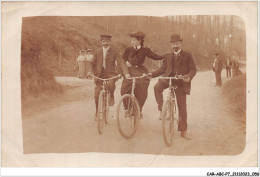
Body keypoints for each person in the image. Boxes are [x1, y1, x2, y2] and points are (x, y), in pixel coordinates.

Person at [147, 34, 197, 140]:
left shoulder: (187, 55)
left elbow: (193, 69)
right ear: (171, 45)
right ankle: (162, 109)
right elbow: (162, 69)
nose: (175, 46)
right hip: (169, 79)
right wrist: (151, 74)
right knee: (157, 87)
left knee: (182, 107)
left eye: (177, 43)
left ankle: (183, 131)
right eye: (173, 44)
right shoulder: (168, 55)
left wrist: (188, 77)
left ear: (180, 43)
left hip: (181, 82)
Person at [120, 31, 164, 119]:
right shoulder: (128, 50)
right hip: (130, 71)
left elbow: (156, 57)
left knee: (142, 90)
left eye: (133, 40)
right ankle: (127, 109)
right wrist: (123, 72)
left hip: (140, 70)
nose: (131, 42)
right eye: (131, 40)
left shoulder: (144, 50)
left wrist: (165, 56)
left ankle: (139, 109)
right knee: (124, 89)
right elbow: (122, 61)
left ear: (139, 41)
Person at [87, 34, 129, 120]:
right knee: (97, 94)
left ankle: (111, 95)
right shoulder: (97, 51)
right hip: (99, 74)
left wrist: (126, 72)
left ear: (110, 42)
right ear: (101, 42)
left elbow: (121, 62)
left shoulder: (114, 51)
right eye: (103, 41)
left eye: (107, 41)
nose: (105, 43)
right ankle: (96, 112)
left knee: (110, 84)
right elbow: (92, 62)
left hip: (111, 74)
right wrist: (90, 71)